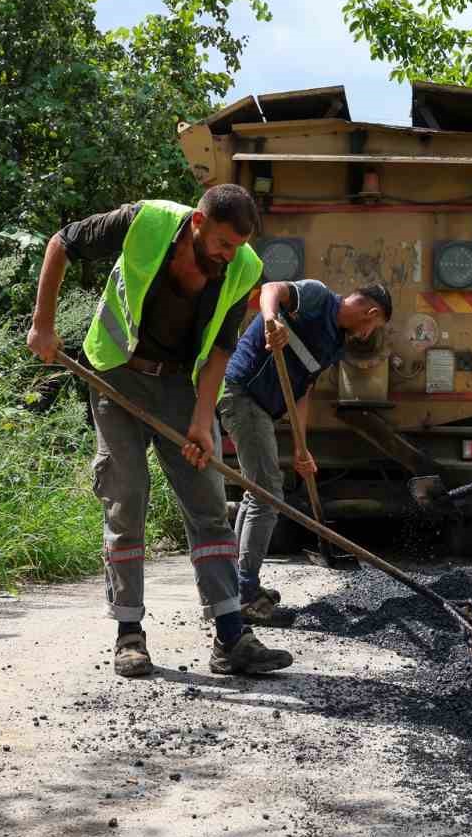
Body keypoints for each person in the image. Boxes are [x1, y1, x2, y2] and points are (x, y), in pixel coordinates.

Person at [25, 185, 295, 678]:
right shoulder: (143, 221)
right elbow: (61, 243)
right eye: (221, 243)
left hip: (180, 386)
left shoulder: (243, 268)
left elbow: (219, 351)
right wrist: (43, 323)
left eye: (237, 246)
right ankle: (129, 633)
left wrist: (200, 422)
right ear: (198, 223)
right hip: (115, 373)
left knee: (208, 502)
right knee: (126, 498)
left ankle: (231, 635)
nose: (228, 255)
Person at [218, 279, 393, 623]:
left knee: (258, 493)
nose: (367, 333)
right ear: (370, 312)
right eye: (374, 325)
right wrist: (271, 320)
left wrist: (301, 446)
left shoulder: (334, 343)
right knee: (267, 493)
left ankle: (236, 584)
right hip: (242, 395)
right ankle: (242, 594)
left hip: (263, 409)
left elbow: (303, 392)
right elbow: (272, 289)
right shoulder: (318, 297)